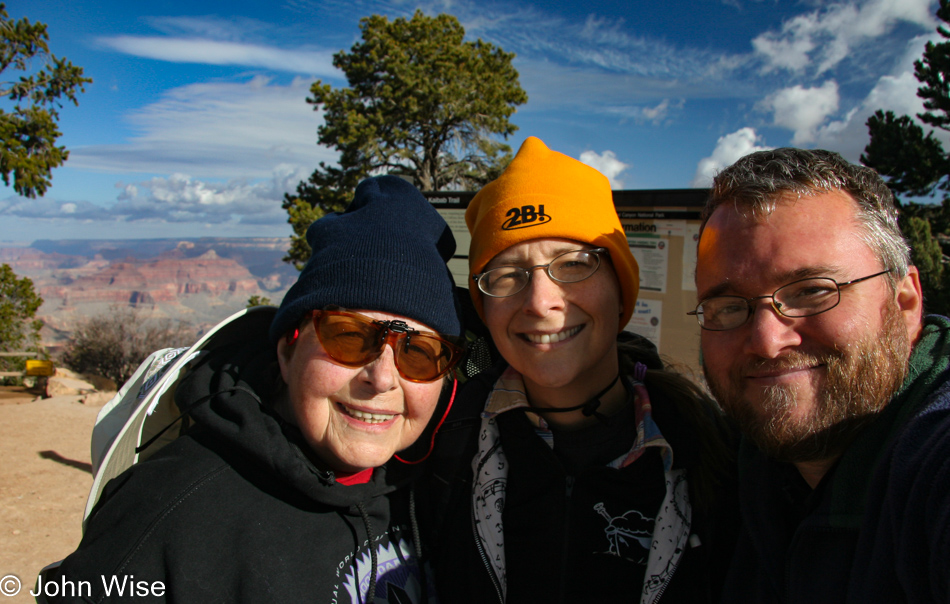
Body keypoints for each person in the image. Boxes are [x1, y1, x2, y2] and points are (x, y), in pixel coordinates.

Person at [41, 175, 464, 603]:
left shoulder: (431, 485)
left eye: (419, 352)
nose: (383, 378)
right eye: (349, 337)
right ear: (286, 351)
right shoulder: (166, 513)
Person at [426, 137, 737, 603]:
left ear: (621, 286)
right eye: (507, 274)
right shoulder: (442, 443)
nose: (539, 302)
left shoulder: (711, 452)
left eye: (572, 265)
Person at [692, 147, 950, 603]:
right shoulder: (735, 468)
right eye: (730, 307)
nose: (767, 342)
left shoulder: (933, 457)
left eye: (812, 291)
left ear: (906, 302)